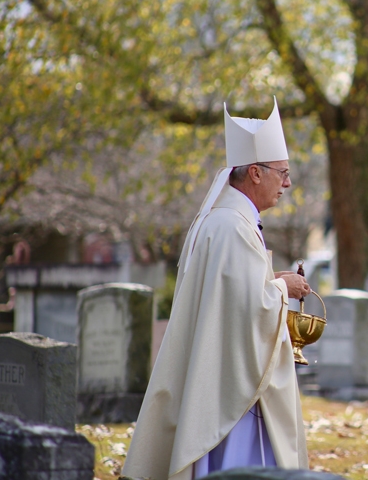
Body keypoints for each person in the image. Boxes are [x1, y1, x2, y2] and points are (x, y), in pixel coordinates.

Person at [123, 97, 311, 480]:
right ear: (256, 173)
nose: (288, 183)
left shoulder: (226, 219)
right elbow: (248, 310)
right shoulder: (232, 228)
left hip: (225, 373)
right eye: (283, 172)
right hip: (232, 397)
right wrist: (284, 286)